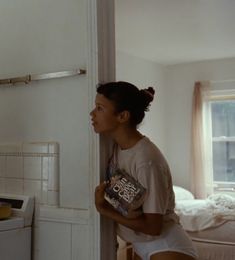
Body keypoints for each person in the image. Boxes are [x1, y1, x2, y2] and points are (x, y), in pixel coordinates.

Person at [90, 81, 198, 260]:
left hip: (166, 246)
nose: (92, 113)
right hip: (142, 245)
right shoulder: (118, 147)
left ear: (123, 116)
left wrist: (104, 209)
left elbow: (153, 227)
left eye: (100, 108)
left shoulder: (147, 160)